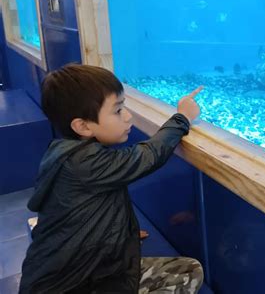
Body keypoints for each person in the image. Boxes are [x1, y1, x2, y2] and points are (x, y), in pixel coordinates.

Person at [19, 64, 204, 293]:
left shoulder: (64, 153)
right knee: (189, 271)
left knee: (186, 269)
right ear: (83, 125)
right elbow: (149, 156)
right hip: (74, 285)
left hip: (70, 276)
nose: (128, 117)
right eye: (117, 110)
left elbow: (83, 212)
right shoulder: (85, 164)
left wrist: (124, 235)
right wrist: (182, 117)